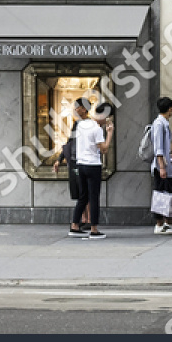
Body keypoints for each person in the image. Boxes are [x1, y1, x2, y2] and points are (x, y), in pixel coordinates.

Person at [70, 101, 111, 239]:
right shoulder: (97, 129)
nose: (107, 121)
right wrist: (110, 133)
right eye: (107, 118)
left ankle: (75, 225)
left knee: (83, 196)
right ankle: (94, 229)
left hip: (81, 164)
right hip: (93, 165)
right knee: (93, 197)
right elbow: (104, 149)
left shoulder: (82, 125)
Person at [150, 96, 172, 235]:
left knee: (169, 194)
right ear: (169, 108)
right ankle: (159, 224)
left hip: (166, 165)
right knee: (160, 195)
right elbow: (158, 148)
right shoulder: (159, 124)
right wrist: (161, 166)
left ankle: (168, 222)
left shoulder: (164, 123)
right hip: (161, 167)